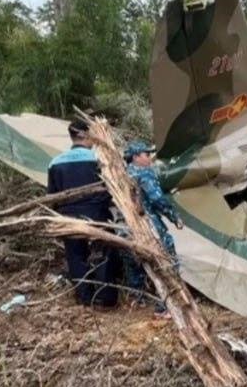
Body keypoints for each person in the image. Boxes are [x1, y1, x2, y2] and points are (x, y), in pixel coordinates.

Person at [47, 119, 119, 307]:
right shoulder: (99, 159)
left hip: (69, 215)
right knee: (104, 250)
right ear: (85, 135)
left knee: (75, 255)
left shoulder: (55, 162)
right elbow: (112, 189)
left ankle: (85, 297)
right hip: (96, 213)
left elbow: (52, 197)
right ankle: (106, 297)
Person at [123, 140, 184, 316]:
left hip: (126, 225)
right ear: (135, 157)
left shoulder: (121, 173)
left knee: (134, 261)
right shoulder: (144, 173)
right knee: (166, 258)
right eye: (146, 154)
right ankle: (164, 305)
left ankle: (137, 299)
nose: (150, 157)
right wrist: (174, 217)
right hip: (147, 222)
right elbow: (157, 199)